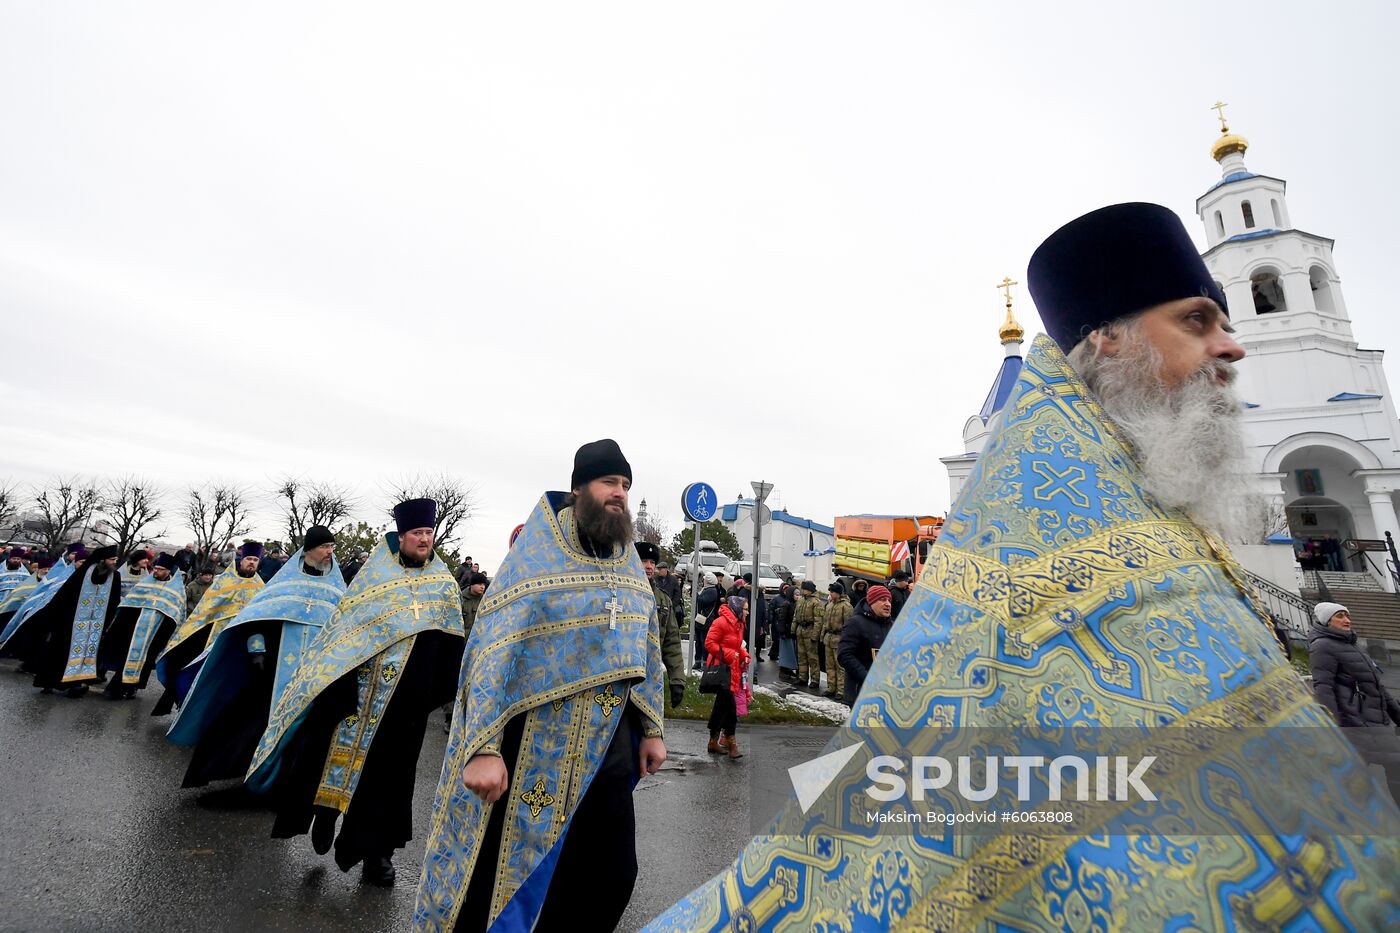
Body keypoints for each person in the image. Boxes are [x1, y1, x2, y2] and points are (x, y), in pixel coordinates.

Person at [645, 202, 1400, 929]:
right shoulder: (1030, 545)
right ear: (1109, 338)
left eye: (1229, 323)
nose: (1230, 346)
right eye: (1197, 321)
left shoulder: (1147, 505)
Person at [414, 439, 668, 931]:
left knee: (613, 875)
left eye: (625, 485)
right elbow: (490, 653)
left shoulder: (628, 561)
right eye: (609, 482)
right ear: (578, 489)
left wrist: (652, 726)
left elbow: (648, 646)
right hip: (535, 745)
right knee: (513, 881)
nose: (619, 494)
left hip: (609, 750)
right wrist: (482, 748)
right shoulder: (536, 558)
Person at [247, 500, 464, 887]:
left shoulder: (444, 586)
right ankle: (324, 815)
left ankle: (376, 853)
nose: (424, 539)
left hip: (405, 706)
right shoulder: (372, 578)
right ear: (401, 538)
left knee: (390, 780)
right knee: (332, 758)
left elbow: (451, 651)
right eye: (417, 533)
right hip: (357, 693)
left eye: (428, 534)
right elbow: (343, 632)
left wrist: (429, 696)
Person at [170, 526, 346, 789]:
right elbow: (255, 621)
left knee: (306, 729)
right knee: (244, 720)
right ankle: (228, 772)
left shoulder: (337, 589)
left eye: (332, 547)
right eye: (324, 547)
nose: (329, 553)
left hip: (314, 673)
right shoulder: (283, 583)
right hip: (274, 668)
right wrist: (256, 651)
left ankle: (283, 784)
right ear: (308, 550)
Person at [150, 542, 264, 716]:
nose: (252, 562)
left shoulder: (260, 588)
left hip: (236, 640)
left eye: (255, 560)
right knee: (187, 669)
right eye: (249, 558)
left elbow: (258, 620)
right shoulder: (223, 581)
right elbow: (205, 609)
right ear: (241, 560)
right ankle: (178, 702)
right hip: (207, 634)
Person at [1309, 601, 1400, 805]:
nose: (1347, 620)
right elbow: (1323, 687)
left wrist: (1396, 714)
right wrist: (1333, 726)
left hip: (1375, 721)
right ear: (1326, 620)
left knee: (1361, 773)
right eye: (1340, 616)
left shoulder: (1350, 644)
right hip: (1355, 721)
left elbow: (1375, 686)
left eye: (1347, 615)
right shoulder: (1322, 646)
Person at [20, 545, 121, 697]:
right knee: (59, 653)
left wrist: (107, 623)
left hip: (94, 625)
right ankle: (49, 682)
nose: (114, 562)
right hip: (69, 623)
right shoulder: (83, 573)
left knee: (84, 655)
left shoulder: (115, 577)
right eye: (112, 559)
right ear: (102, 560)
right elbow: (63, 597)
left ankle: (75, 684)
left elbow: (113, 601)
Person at [98, 552, 185, 699]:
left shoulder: (177, 589)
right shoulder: (145, 583)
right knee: (127, 656)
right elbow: (129, 604)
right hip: (134, 630)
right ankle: (116, 688)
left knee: (146, 660)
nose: (156, 571)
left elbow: (177, 615)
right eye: (155, 568)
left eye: (160, 569)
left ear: (169, 571)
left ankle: (133, 687)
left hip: (156, 633)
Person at [637, 541, 686, 709]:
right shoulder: (623, 593)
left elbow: (672, 640)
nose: (649, 566)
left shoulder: (663, 599)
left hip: (651, 675)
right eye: (644, 561)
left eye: (652, 562)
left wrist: (677, 680)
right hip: (624, 675)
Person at [704, 594, 749, 760]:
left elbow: (737, 645)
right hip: (721, 669)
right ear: (737, 608)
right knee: (730, 707)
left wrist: (744, 654)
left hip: (733, 669)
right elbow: (709, 643)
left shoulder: (739, 624)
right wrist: (731, 655)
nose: (747, 612)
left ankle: (713, 741)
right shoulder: (721, 622)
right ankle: (732, 744)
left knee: (721, 707)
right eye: (745, 609)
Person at [837, 583, 893, 705]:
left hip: (884, 694)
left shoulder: (892, 626)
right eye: (883, 600)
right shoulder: (855, 623)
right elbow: (844, 655)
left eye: (889, 600)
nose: (887, 603)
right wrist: (868, 678)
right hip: (859, 693)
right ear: (871, 602)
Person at [819, 581, 852, 699]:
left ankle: (841, 690)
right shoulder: (829, 605)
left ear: (838, 593)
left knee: (840, 666)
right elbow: (825, 622)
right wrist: (822, 636)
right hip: (829, 638)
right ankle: (831, 687)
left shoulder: (846, 606)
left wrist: (846, 640)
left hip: (839, 639)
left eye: (832, 592)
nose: (830, 594)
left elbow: (848, 624)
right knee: (829, 665)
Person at [792, 580, 823, 690]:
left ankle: (815, 679)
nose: (803, 591)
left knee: (812, 657)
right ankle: (802, 677)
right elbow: (795, 616)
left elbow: (818, 621)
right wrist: (793, 630)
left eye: (805, 589)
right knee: (801, 656)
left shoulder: (816, 602)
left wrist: (815, 635)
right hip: (800, 630)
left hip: (810, 630)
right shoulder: (800, 601)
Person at [770, 582, 797, 679]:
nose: (797, 596)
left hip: (791, 633)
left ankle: (789, 670)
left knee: (791, 653)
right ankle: (783, 670)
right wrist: (782, 632)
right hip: (786, 632)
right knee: (785, 653)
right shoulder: (786, 604)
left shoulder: (794, 604)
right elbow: (782, 619)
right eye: (795, 594)